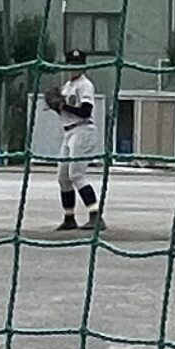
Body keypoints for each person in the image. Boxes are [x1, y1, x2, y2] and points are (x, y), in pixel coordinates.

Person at [48, 51, 105, 233]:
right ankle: (69, 218)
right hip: (69, 133)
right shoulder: (67, 86)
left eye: (78, 64)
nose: (74, 68)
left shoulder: (85, 85)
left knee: (76, 175)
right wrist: (57, 107)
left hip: (83, 130)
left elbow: (86, 111)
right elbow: (64, 112)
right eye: (71, 64)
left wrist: (64, 106)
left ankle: (96, 216)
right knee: (63, 177)